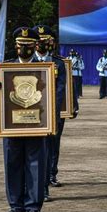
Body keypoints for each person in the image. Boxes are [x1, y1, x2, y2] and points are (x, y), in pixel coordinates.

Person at [0, 27, 47, 212]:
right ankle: (16, 206)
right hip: (11, 126)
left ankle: (33, 206)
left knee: (35, 166)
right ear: (16, 46)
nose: (25, 49)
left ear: (35, 46)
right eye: (21, 45)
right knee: (12, 165)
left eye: (29, 45)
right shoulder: (6, 67)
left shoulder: (45, 69)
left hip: (36, 125)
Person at [33, 25, 67, 200]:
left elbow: (61, 89)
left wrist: (51, 111)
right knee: (34, 152)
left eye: (45, 40)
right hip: (30, 115)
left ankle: (47, 182)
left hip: (52, 113)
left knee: (50, 148)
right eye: (39, 41)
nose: (42, 43)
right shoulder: (25, 61)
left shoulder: (59, 63)